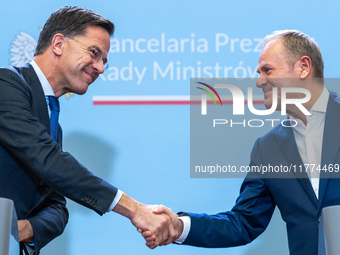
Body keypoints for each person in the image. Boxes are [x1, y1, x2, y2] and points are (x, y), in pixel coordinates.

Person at [142, 30, 340, 254]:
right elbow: (244, 222)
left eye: (267, 70)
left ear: (304, 67)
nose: (259, 82)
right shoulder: (268, 148)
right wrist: (179, 227)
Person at [0, 6, 176, 254]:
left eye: (104, 60)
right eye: (94, 53)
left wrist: (26, 228)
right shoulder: (6, 85)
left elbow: (57, 205)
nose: (100, 68)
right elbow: (48, 161)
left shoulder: (52, 124)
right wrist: (134, 209)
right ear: (59, 44)